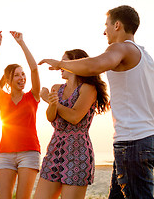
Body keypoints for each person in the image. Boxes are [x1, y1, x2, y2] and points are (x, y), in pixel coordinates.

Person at [39, 5, 154, 199]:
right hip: (143, 141)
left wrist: (60, 63)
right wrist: (130, 96)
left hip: (133, 143)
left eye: (106, 25)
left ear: (117, 25)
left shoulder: (120, 48)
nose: (104, 30)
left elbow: (94, 66)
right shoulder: (145, 56)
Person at [34, 49, 110, 199]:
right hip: (55, 147)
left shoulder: (88, 88)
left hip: (78, 151)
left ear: (76, 64)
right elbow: (51, 117)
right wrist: (52, 104)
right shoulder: (57, 88)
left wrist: (50, 100)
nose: (60, 66)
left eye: (64, 62)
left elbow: (75, 117)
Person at [0, 31, 41, 199]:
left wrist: (22, 43)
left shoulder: (32, 96)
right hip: (5, 153)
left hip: (29, 152)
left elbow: (34, 69)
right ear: (9, 80)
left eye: (22, 74)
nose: (22, 77)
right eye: (16, 75)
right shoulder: (2, 98)